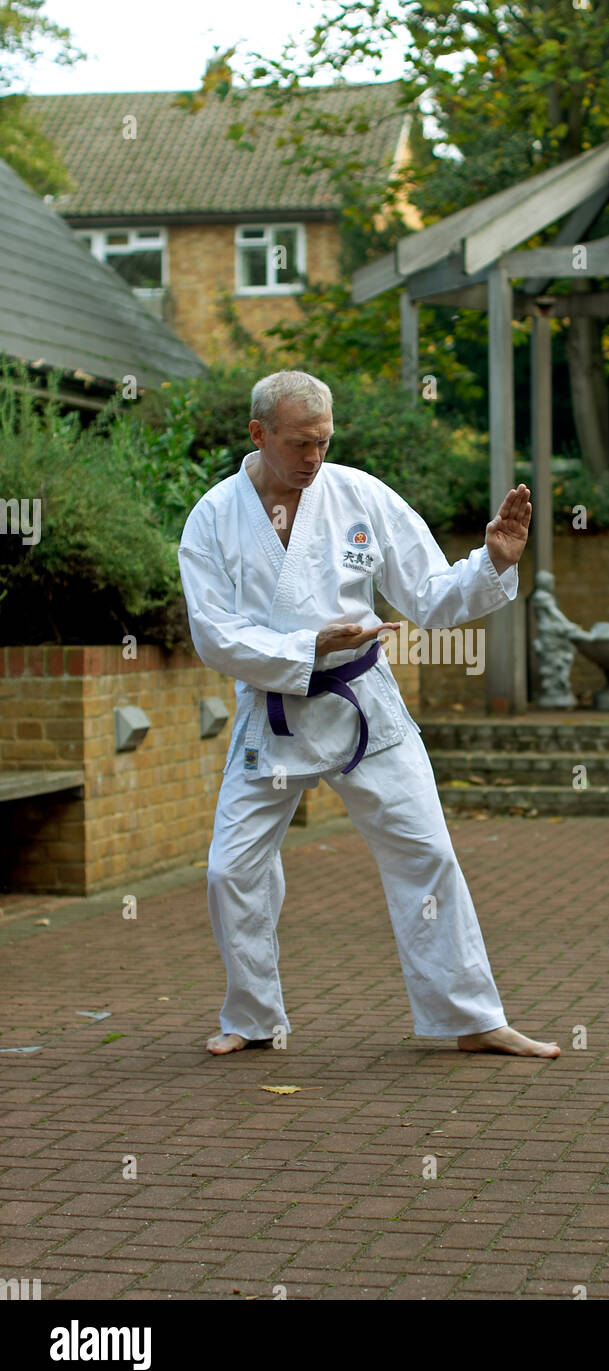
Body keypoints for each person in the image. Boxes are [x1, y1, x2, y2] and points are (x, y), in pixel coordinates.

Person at [178, 370, 560, 1060]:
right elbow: (212, 633)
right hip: (275, 713)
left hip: (364, 708)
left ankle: (469, 1016)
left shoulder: (359, 495)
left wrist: (490, 564)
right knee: (230, 872)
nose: (312, 459)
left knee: (427, 853)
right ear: (258, 434)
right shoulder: (213, 516)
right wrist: (304, 646)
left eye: (323, 443)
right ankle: (253, 1015)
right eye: (298, 444)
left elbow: (429, 596)